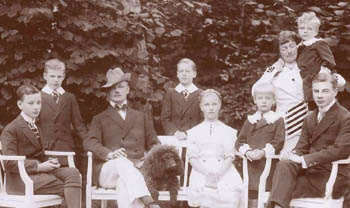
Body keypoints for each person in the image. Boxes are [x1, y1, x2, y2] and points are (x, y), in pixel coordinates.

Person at [267, 73, 350, 208]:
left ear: (335, 92)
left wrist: (305, 159)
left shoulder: (345, 117)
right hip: (310, 173)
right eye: (316, 91)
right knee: (284, 165)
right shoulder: (310, 117)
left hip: (330, 176)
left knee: (279, 188)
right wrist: (292, 155)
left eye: (325, 91)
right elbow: (302, 147)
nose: (319, 95)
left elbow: (340, 151)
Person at [83, 68, 160, 208]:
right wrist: (109, 153)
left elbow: (155, 143)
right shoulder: (99, 118)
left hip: (137, 170)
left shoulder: (141, 116)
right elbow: (89, 142)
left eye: (120, 87)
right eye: (112, 88)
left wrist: (147, 159)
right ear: (108, 92)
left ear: (128, 89)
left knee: (124, 184)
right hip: (108, 172)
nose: (116, 91)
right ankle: (149, 200)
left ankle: (143, 198)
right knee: (120, 161)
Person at [0, 84, 81, 208]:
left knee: (73, 174)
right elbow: (10, 163)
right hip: (20, 179)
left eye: (38, 103)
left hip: (39, 174)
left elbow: (37, 153)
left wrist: (49, 162)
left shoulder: (35, 125)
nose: (36, 107)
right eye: (31, 103)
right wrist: (39, 167)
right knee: (68, 187)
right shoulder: (11, 129)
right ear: (20, 105)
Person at [187, 89, 244, 208]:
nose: (211, 108)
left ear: (220, 106)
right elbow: (192, 158)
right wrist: (207, 173)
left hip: (223, 169)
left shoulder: (228, 131)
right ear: (201, 107)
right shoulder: (194, 132)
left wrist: (218, 173)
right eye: (207, 105)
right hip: (201, 170)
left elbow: (229, 156)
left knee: (232, 190)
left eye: (214, 104)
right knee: (205, 192)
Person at [253, 31, 306, 153]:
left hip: (306, 119)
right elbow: (256, 90)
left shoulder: (307, 66)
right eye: (284, 48)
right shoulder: (274, 70)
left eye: (292, 46)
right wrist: (275, 68)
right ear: (279, 52)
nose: (289, 51)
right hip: (286, 122)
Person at [236, 83, 285, 200]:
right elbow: (240, 141)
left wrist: (263, 152)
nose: (264, 101)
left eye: (268, 98)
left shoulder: (277, 120)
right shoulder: (250, 120)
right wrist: (248, 152)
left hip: (268, 164)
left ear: (273, 101)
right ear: (255, 101)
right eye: (260, 98)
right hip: (250, 164)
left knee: (265, 193)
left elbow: (278, 141)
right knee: (249, 193)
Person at [39, 59, 87, 166]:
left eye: (59, 77)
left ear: (63, 76)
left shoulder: (69, 98)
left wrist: (90, 143)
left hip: (66, 149)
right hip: (45, 150)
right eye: (52, 76)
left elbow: (79, 126)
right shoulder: (38, 97)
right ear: (45, 76)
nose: (56, 80)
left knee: (70, 176)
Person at [296, 11, 345, 103]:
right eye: (302, 28)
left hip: (317, 78)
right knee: (309, 106)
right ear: (298, 30)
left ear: (316, 32)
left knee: (320, 103)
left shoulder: (318, 43)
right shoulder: (299, 47)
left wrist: (322, 71)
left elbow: (329, 60)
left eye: (309, 29)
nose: (305, 31)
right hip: (305, 80)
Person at [161, 58, 203, 140]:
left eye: (187, 71)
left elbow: (203, 119)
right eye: (181, 71)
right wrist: (175, 132)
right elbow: (165, 118)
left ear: (194, 74)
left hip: (194, 138)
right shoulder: (170, 93)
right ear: (177, 74)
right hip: (174, 137)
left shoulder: (200, 94)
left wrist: (190, 134)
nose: (184, 74)